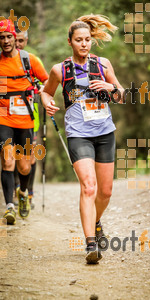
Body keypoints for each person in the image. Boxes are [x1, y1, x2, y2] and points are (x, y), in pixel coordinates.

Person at [41, 14, 124, 264]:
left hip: (105, 132)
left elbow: (121, 95)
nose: (84, 44)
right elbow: (45, 92)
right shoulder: (60, 69)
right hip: (78, 134)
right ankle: (90, 245)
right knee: (89, 187)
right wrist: (48, 103)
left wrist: (112, 89)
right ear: (70, 42)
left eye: (88, 39)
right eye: (79, 40)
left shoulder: (103, 64)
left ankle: (96, 221)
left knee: (106, 192)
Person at [0, 20, 48, 225]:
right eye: (1, 37)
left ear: (15, 38)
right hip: (3, 117)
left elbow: (47, 81)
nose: (6, 41)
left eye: (9, 36)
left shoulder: (29, 60)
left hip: (26, 117)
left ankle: (23, 192)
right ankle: (9, 206)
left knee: (25, 166)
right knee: (8, 160)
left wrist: (43, 94)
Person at [13, 28, 44, 209]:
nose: (17, 44)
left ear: (26, 40)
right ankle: (16, 192)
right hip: (9, 117)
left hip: (30, 118)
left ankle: (28, 193)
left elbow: (44, 83)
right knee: (12, 155)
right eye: (14, 40)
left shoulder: (31, 60)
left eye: (21, 41)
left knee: (29, 157)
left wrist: (38, 89)